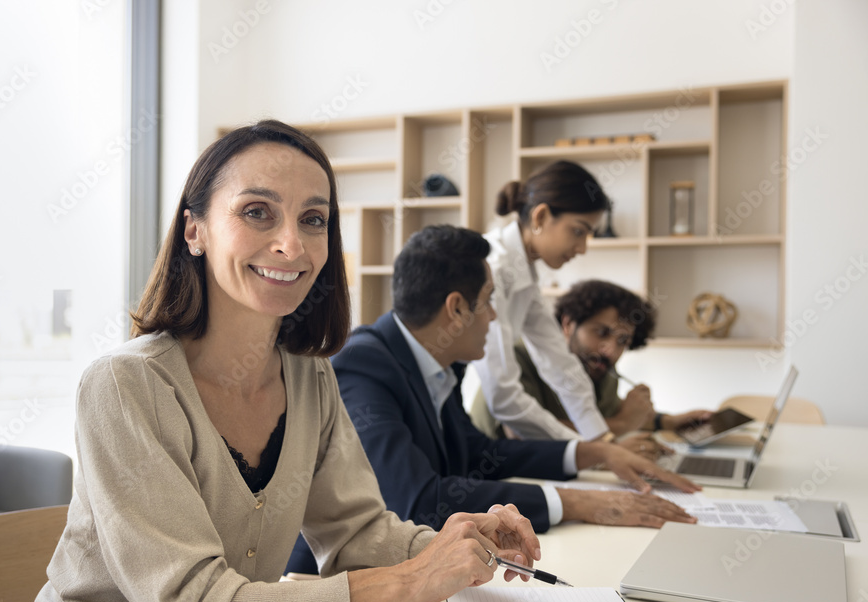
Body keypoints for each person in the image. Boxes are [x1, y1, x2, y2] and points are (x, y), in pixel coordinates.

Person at [12, 121, 541, 602]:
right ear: (194, 231)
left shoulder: (310, 378)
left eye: (313, 220)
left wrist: (453, 544)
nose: (291, 244)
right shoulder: (124, 387)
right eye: (257, 212)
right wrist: (411, 580)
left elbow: (355, 534)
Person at [287, 226, 699, 575]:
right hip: (328, 585)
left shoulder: (437, 360)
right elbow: (416, 500)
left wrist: (591, 454)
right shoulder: (365, 365)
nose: (494, 318)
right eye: (488, 302)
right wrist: (574, 502)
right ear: (457, 308)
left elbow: (476, 453)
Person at [473, 160, 616, 442]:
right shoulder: (495, 269)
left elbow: (560, 364)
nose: (583, 248)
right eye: (578, 231)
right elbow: (503, 394)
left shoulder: (524, 273)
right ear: (540, 217)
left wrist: (602, 439)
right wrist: (584, 449)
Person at [471, 279, 712, 439]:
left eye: (622, 341)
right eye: (602, 332)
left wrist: (668, 422)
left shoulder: (601, 371)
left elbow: (608, 413)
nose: (610, 350)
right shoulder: (519, 357)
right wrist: (622, 424)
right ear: (568, 324)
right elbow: (522, 433)